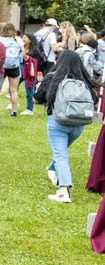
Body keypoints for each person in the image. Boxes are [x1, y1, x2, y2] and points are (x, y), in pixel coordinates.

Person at [34, 51, 99, 203]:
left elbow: (36, 99)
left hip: (58, 122)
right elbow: (94, 102)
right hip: (79, 124)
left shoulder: (53, 78)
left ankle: (64, 190)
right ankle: (52, 169)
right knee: (60, 152)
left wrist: (39, 88)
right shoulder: (84, 80)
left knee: (60, 154)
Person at [0, 23, 24, 118]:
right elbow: (24, 52)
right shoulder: (18, 39)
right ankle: (14, 111)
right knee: (14, 90)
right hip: (14, 66)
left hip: (1, 65)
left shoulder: (0, 39)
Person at [21, 33, 41, 116]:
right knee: (13, 88)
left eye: (25, 37)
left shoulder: (34, 50)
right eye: (23, 37)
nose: (23, 39)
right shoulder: (23, 47)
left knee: (29, 89)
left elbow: (28, 58)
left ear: (30, 40)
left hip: (30, 72)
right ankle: (13, 104)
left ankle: (30, 109)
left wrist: (22, 49)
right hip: (21, 69)